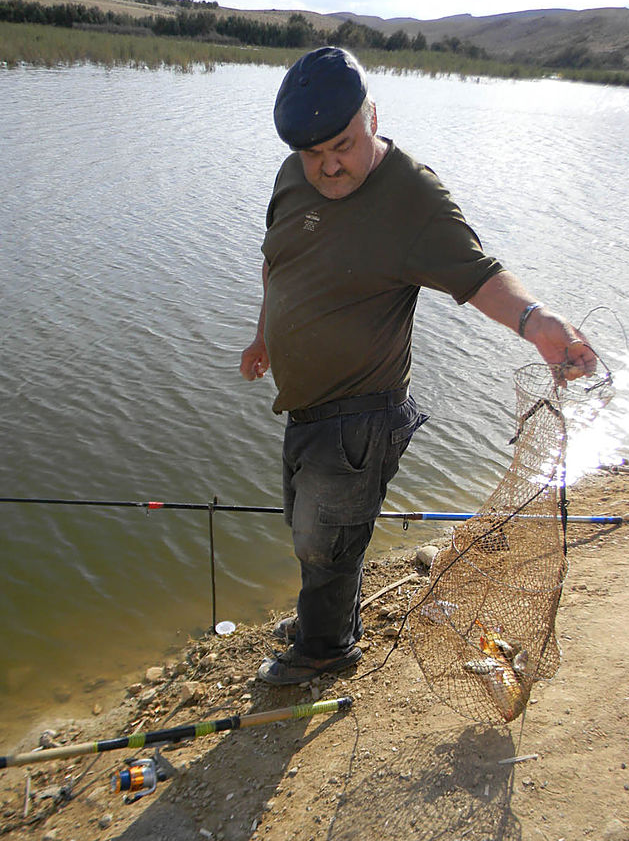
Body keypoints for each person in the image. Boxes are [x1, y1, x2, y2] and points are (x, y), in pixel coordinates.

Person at [239, 47, 596, 686]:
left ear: (372, 115)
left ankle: (324, 651)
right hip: (303, 403)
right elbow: (278, 260)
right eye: (312, 154)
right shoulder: (293, 176)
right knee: (313, 526)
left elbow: (480, 275)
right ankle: (328, 617)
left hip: (360, 409)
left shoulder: (412, 196)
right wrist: (263, 335)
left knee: (326, 535)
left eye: (342, 146)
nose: (328, 166)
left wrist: (538, 322)